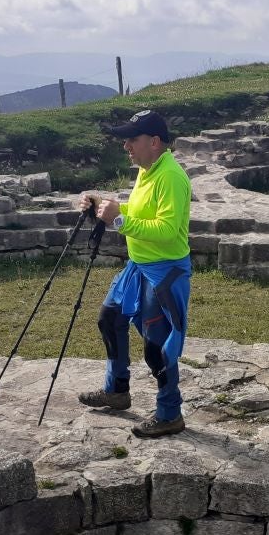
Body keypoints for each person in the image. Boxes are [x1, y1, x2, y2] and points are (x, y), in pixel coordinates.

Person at [78, 109, 192, 438]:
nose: (126, 145)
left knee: (158, 346)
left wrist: (119, 221)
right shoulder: (147, 170)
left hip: (165, 273)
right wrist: (106, 207)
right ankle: (116, 391)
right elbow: (139, 213)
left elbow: (168, 231)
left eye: (132, 139)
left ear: (154, 142)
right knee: (109, 319)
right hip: (137, 267)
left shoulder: (170, 176)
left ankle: (170, 414)